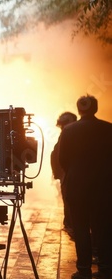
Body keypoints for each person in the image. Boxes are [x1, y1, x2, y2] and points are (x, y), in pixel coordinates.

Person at [59, 95, 112, 279]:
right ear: (95, 109)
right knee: (103, 229)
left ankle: (83, 270)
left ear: (79, 110)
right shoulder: (108, 129)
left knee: (81, 229)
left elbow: (62, 160)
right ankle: (105, 269)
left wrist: (75, 173)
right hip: (104, 188)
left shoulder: (69, 131)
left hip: (77, 188)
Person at [50, 111, 77, 237]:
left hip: (70, 176)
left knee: (71, 201)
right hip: (65, 175)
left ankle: (73, 226)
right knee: (68, 201)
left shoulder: (72, 135)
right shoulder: (66, 135)